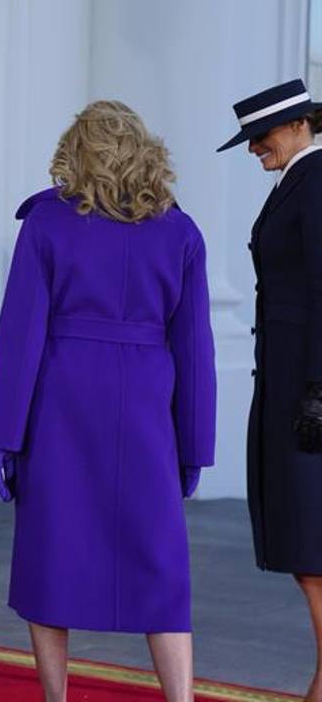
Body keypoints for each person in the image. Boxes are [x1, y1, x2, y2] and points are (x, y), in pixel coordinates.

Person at [0, 100, 215, 702]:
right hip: (146, 408)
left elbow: (19, 336)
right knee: (161, 566)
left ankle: (57, 698)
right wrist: (194, 443)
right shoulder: (181, 231)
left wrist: (6, 435)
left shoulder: (46, 223)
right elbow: (195, 349)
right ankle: (181, 698)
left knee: (49, 559)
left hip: (60, 407)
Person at [217, 79, 322, 702]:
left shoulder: (317, 184)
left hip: (304, 385)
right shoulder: (297, 184)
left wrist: (317, 388)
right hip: (290, 379)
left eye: (262, 136)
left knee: (310, 540)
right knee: (303, 538)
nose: (255, 149)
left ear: (300, 125)